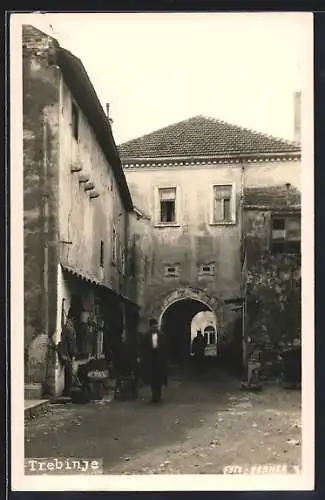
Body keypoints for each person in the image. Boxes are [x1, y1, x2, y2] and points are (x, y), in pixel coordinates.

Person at [141, 319, 168, 403]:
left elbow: (165, 347)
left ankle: (158, 396)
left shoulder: (162, 335)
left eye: (155, 326)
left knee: (159, 379)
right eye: (153, 326)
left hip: (159, 359)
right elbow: (143, 348)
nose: (154, 328)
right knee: (152, 379)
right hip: (151, 359)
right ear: (150, 327)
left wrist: (165, 358)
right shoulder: (146, 336)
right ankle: (154, 396)